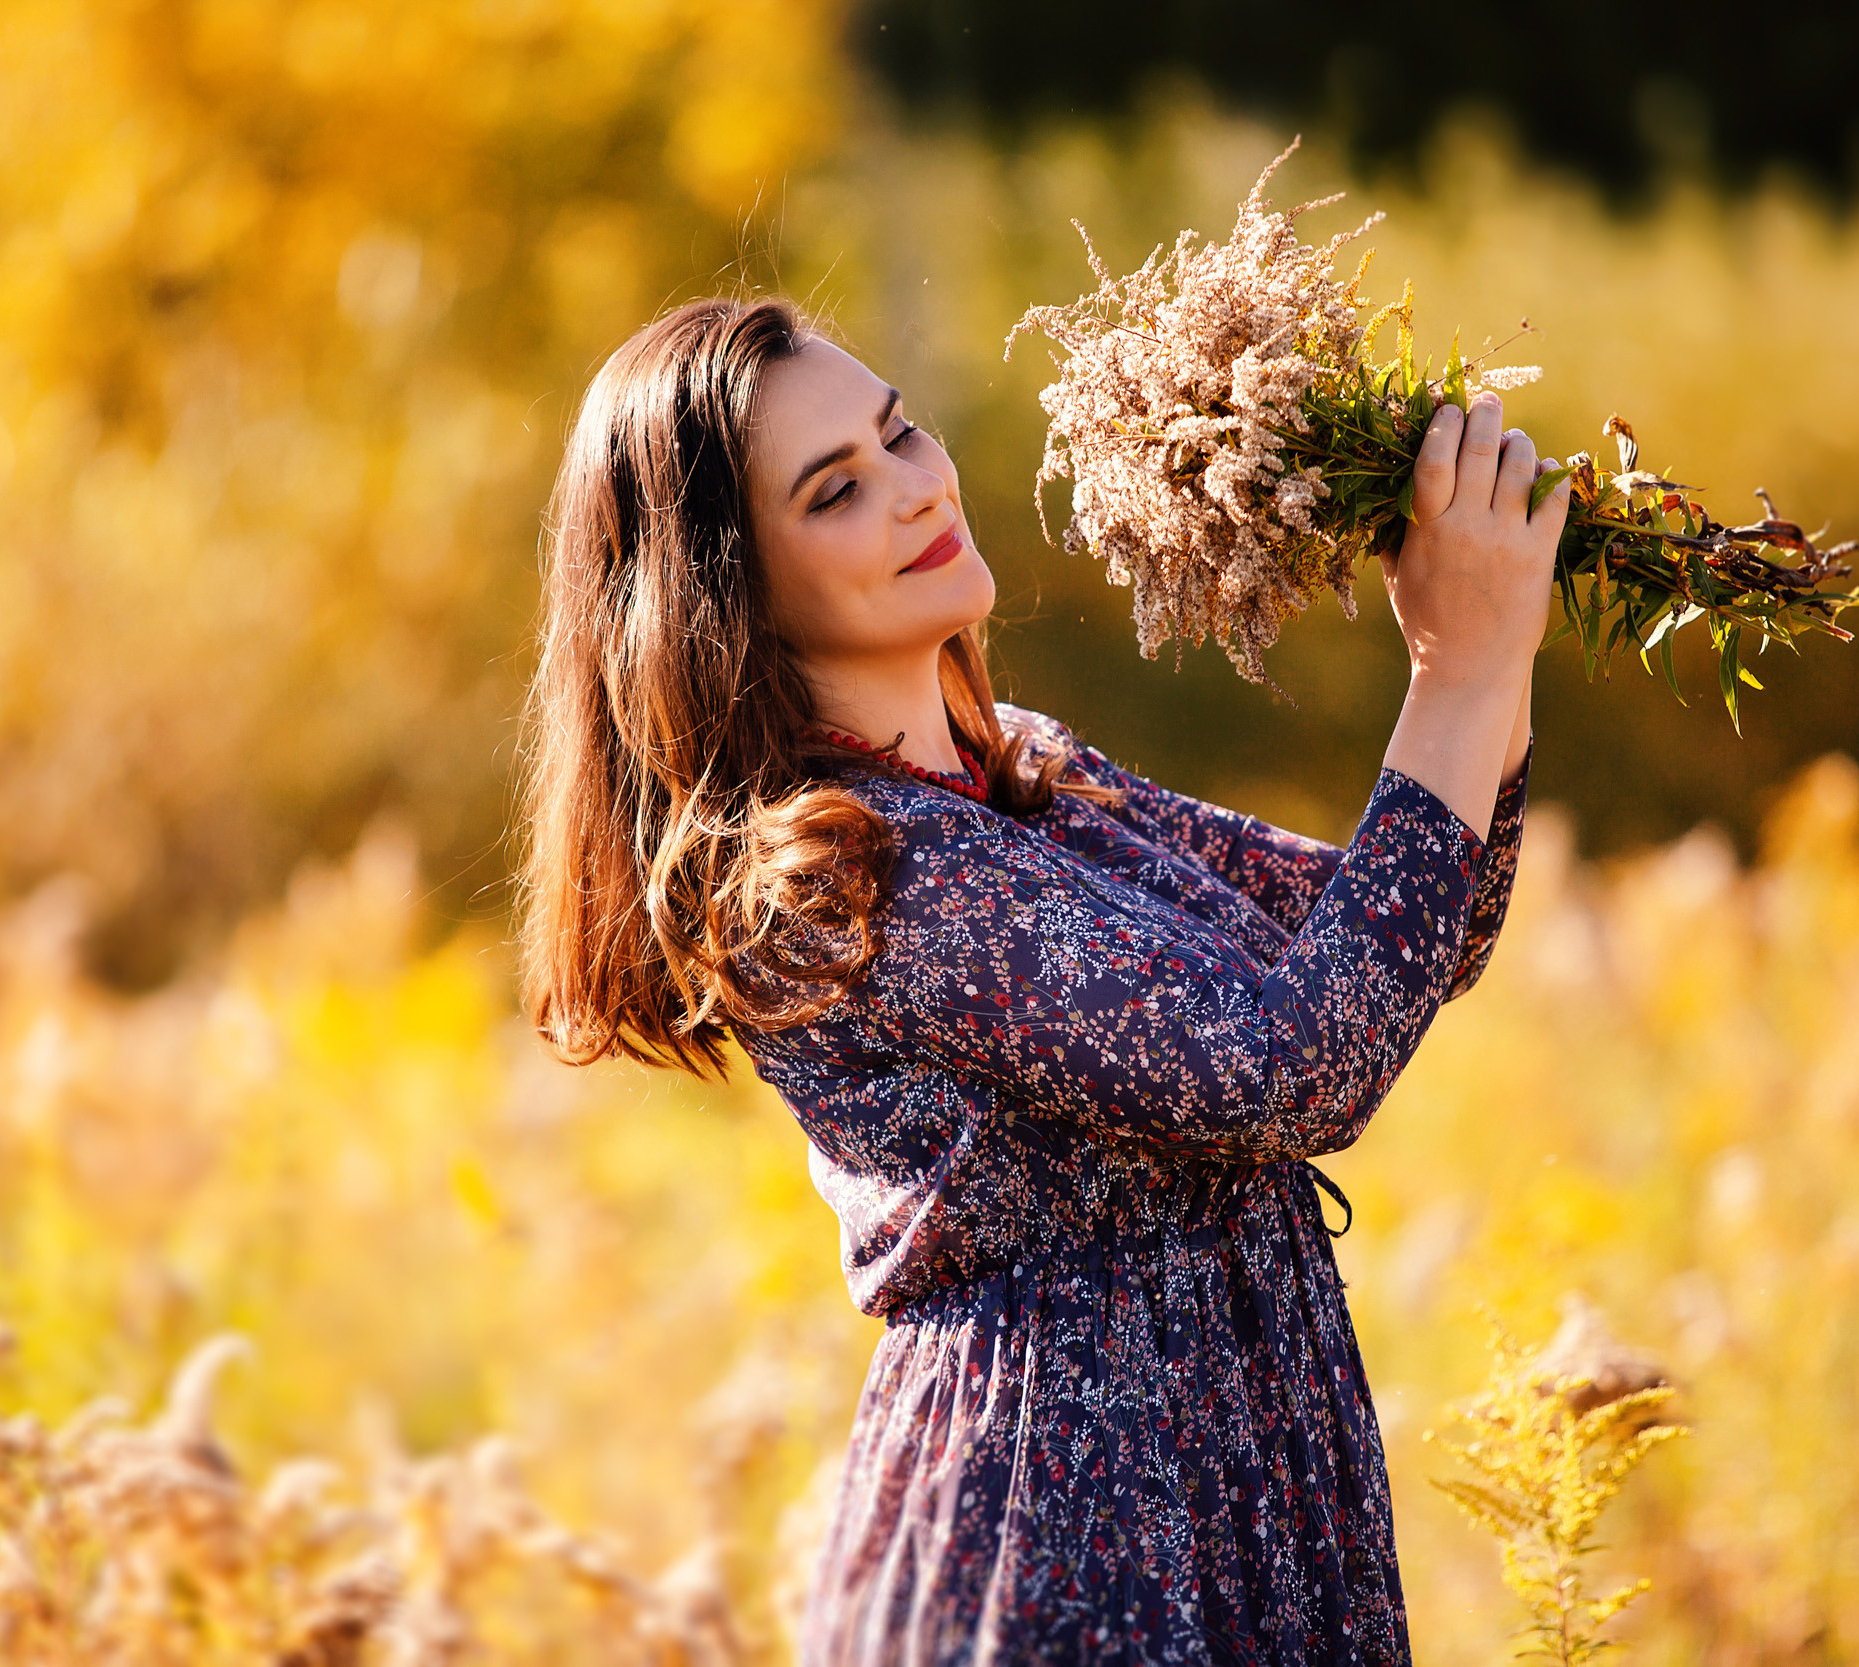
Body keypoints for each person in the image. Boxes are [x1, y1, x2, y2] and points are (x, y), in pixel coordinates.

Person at [520, 295, 1562, 1665]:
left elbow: (1396, 938)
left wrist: (1497, 653)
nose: (914, 489)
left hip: (1237, 1480)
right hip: (1065, 1538)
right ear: (727, 602)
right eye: (837, 491)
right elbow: (1301, 1065)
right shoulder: (847, 875)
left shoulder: (1020, 764)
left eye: (901, 435)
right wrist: (1461, 667)